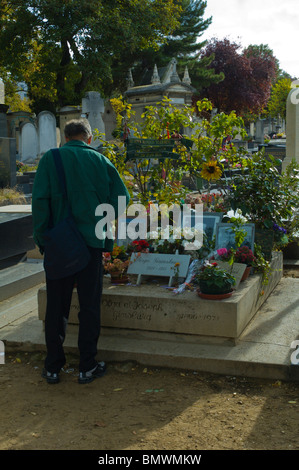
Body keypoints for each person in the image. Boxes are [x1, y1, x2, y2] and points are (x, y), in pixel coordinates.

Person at [32, 119, 130, 384]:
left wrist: (43, 239)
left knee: (56, 306)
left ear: (65, 138)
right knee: (89, 305)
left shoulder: (50, 160)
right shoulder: (100, 161)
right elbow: (122, 198)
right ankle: (87, 366)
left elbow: (39, 202)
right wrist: (100, 222)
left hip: (59, 243)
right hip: (92, 244)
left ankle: (53, 366)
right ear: (88, 138)